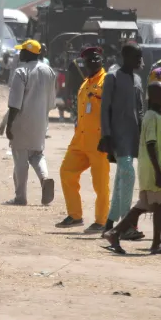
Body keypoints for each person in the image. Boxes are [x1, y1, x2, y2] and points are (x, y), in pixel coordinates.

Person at [103, 81, 161, 255]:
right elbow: (150, 145)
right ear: (151, 96)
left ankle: (115, 232)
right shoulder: (152, 117)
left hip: (156, 170)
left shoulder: (160, 117)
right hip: (154, 171)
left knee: (145, 206)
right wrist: (158, 172)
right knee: (160, 205)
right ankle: (156, 243)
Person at [56, 47, 110, 233]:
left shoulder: (107, 81)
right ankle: (75, 215)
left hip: (98, 140)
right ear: (84, 64)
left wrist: (108, 136)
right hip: (80, 139)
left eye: (96, 58)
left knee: (100, 183)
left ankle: (101, 221)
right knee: (66, 172)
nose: (93, 61)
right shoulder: (85, 83)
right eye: (89, 60)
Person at [99, 43, 145, 238]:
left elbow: (141, 109)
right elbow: (105, 109)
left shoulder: (136, 79)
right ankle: (126, 225)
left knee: (121, 179)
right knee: (128, 174)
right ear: (125, 56)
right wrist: (106, 136)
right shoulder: (112, 77)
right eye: (136, 56)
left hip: (133, 136)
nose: (139, 61)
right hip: (117, 136)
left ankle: (109, 224)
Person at [6, 40, 56, 206]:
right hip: (41, 121)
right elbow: (51, 103)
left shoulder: (21, 72)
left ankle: (21, 197)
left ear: (28, 53)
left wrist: (9, 125)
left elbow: (14, 104)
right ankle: (45, 177)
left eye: (22, 51)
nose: (20, 54)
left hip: (22, 122)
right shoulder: (49, 71)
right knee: (37, 154)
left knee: (20, 159)